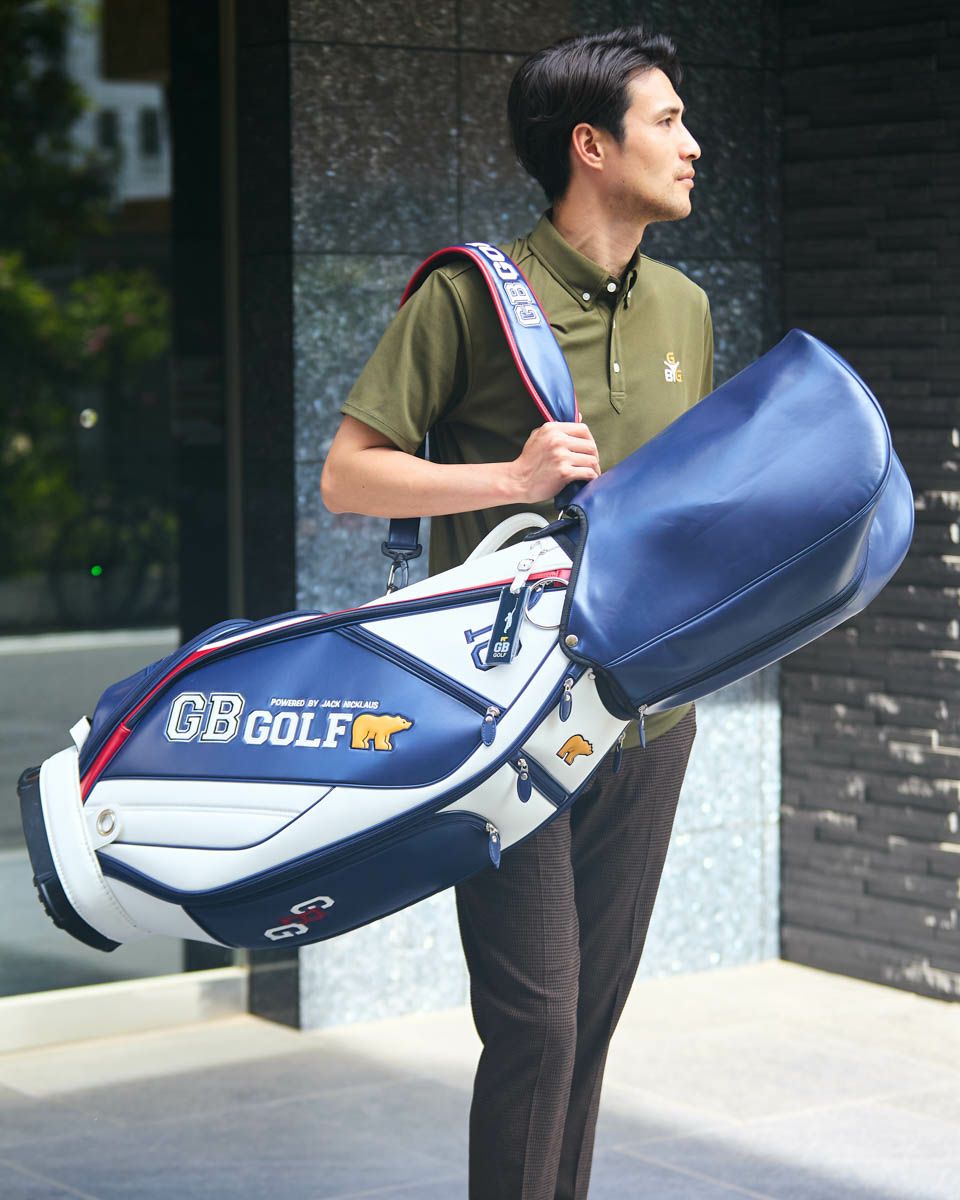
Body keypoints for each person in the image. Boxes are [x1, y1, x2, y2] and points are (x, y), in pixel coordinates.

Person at [321, 25, 713, 1200]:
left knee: (587, 1028)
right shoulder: (472, 295)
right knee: (536, 1021)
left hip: (647, 715)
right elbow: (347, 475)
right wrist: (510, 478)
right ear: (591, 146)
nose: (692, 144)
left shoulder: (686, 307)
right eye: (668, 121)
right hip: (507, 719)